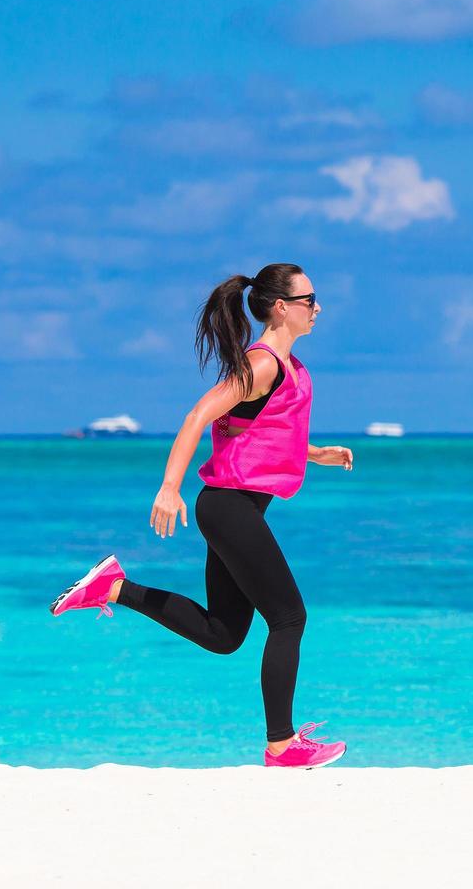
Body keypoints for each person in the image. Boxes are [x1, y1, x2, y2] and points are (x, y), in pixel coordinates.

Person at [48, 263, 354, 769]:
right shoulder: (262, 365)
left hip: (236, 507)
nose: (317, 308)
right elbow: (198, 415)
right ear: (281, 307)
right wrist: (169, 488)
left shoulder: (291, 369)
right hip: (230, 508)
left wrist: (315, 453)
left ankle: (113, 588)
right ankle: (281, 745)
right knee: (289, 617)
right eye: (309, 299)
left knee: (223, 634)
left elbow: (262, 435)